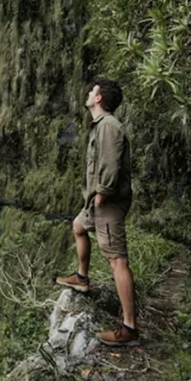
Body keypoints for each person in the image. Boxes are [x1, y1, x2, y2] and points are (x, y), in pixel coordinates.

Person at [56, 78, 138, 346]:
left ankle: (129, 328)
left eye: (92, 91)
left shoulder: (110, 127)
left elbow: (112, 165)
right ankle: (81, 278)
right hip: (96, 202)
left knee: (117, 261)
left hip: (108, 202)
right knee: (78, 227)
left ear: (99, 98)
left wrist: (102, 193)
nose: (89, 93)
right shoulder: (100, 126)